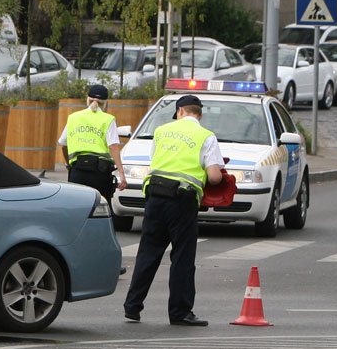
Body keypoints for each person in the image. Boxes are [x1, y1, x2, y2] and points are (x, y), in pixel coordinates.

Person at [123, 95, 224, 327]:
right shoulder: (206, 136)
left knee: (148, 252)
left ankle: (132, 307)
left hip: (155, 195)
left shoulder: (161, 131)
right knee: (182, 257)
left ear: (179, 112)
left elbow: (155, 163)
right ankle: (179, 312)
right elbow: (215, 176)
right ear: (199, 114)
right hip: (182, 200)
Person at [58, 84, 126, 209]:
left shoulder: (73, 117)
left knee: (76, 209)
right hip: (99, 173)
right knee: (100, 209)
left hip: (77, 171)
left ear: (87, 99)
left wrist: (69, 164)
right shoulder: (108, 119)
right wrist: (121, 173)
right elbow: (113, 147)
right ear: (105, 103)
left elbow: (63, 144)